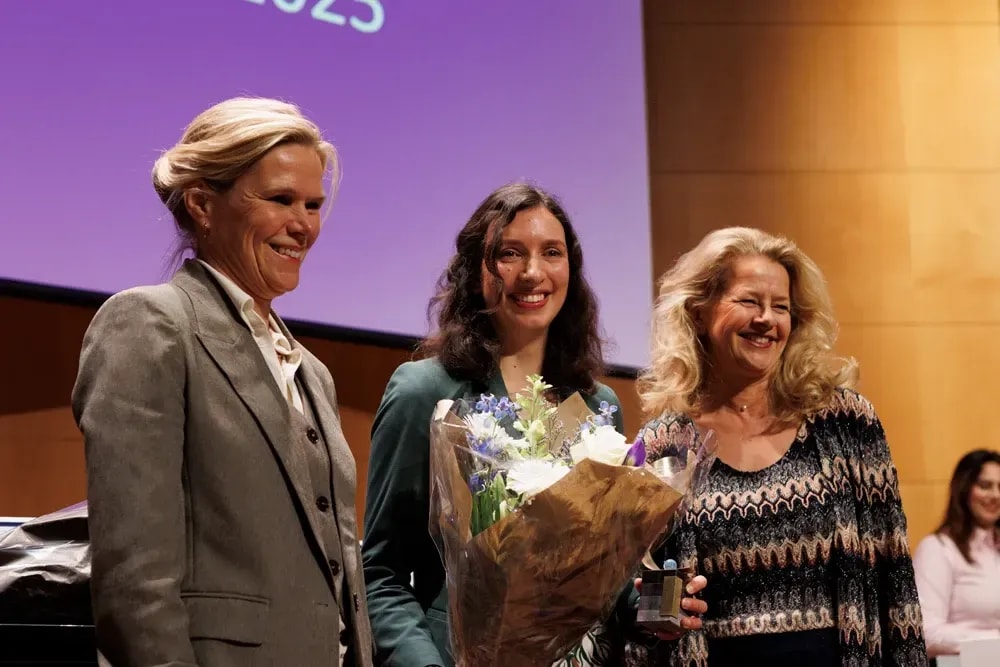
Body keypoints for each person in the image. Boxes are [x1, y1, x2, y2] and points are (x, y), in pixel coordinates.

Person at [72, 97, 373, 666]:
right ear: (203, 205)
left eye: (313, 204)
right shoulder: (151, 324)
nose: (303, 225)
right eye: (281, 199)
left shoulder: (313, 373)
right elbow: (135, 582)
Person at [361, 183, 707, 667]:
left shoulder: (595, 404)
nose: (532, 273)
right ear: (474, 270)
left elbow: (601, 578)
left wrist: (655, 608)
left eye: (552, 253)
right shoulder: (425, 392)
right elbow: (382, 573)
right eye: (509, 253)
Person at [626, 227, 926, 666]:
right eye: (749, 301)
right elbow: (645, 601)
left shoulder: (846, 423)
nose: (767, 319)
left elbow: (895, 578)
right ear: (698, 312)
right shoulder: (663, 445)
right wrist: (654, 619)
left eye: (781, 307)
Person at [913, 449, 1000, 658]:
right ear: (963, 489)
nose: (996, 495)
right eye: (985, 486)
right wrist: (994, 641)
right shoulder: (938, 548)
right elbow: (925, 632)